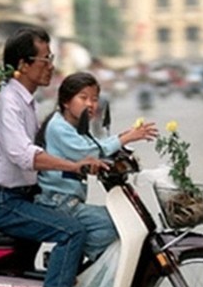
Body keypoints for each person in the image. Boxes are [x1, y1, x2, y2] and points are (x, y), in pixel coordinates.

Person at [0, 26, 105, 287]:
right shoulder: (9, 101)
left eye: (51, 59)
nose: (51, 66)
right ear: (22, 64)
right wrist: (74, 165)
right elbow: (25, 155)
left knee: (79, 221)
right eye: (45, 60)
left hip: (23, 195)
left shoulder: (26, 101)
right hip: (5, 201)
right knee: (71, 231)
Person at [35, 72, 158, 261]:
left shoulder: (74, 126)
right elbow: (90, 152)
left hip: (68, 200)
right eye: (83, 98)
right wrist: (127, 137)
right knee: (115, 223)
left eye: (94, 99)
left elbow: (96, 147)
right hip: (58, 202)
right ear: (66, 102)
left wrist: (121, 141)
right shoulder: (58, 127)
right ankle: (67, 260)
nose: (90, 104)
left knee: (118, 220)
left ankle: (72, 259)